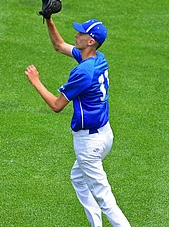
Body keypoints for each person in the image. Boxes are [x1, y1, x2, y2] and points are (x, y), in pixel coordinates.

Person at [25, 17, 131, 227]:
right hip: (104, 135)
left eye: (81, 33)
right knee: (78, 178)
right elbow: (59, 45)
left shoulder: (84, 72)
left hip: (88, 144)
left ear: (90, 41)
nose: (76, 35)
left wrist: (36, 81)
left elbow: (56, 105)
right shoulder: (97, 58)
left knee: (105, 199)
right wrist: (49, 19)